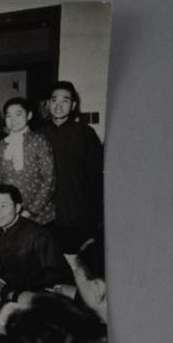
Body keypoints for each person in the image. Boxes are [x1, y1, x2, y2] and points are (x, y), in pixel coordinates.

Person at [0, 184, 71, 334]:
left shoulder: (38, 234)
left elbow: (54, 273)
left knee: (4, 317)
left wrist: (14, 289)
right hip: (6, 283)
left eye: (4, 206)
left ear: (18, 207)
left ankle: (2, 330)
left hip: (35, 288)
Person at [40, 81, 104, 254]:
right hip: (46, 214)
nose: (58, 106)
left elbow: (96, 176)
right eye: (54, 100)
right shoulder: (38, 134)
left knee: (78, 259)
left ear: (73, 105)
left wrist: (97, 214)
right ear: (48, 103)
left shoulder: (86, 133)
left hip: (79, 212)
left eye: (65, 101)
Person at [0, 98, 56, 225]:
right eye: (9, 115)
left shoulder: (39, 141)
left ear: (29, 115)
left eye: (18, 114)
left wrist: (30, 211)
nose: (13, 119)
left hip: (39, 215)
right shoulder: (2, 145)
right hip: (8, 214)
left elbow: (49, 179)